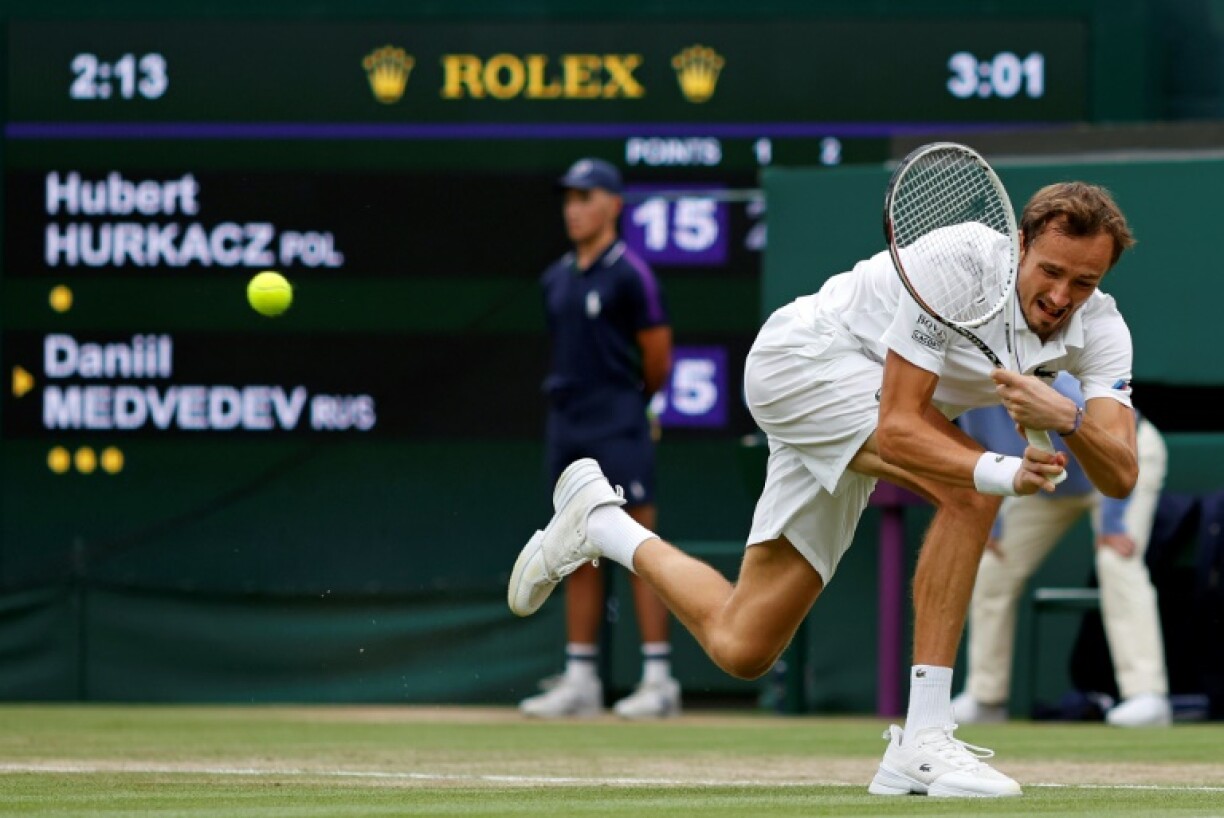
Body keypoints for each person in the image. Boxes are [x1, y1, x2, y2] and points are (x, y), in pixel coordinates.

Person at [509, 180, 1138, 797]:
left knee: (743, 643)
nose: (1061, 296)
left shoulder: (1101, 330)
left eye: (1084, 282)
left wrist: (1071, 418)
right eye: (1051, 271)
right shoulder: (960, 261)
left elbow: (1120, 474)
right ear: (1020, 243)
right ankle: (923, 738)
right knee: (970, 491)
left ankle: (602, 524)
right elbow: (897, 426)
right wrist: (1003, 472)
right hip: (802, 361)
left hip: (856, 401)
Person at [518, 158, 681, 720]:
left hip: (618, 421)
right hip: (567, 423)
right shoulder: (555, 278)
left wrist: (630, 404)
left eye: (585, 197)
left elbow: (658, 357)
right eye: (568, 198)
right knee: (573, 547)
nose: (574, 208)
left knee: (640, 548)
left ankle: (658, 680)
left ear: (613, 204)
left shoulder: (631, 274)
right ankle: (581, 678)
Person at [953, 373, 1171, 727]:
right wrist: (991, 526)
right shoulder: (969, 396)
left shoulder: (1052, 380)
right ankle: (985, 698)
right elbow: (982, 454)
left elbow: (1121, 433)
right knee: (993, 565)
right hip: (1051, 479)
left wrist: (1113, 523)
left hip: (1122, 465)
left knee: (1116, 560)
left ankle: (1147, 696)